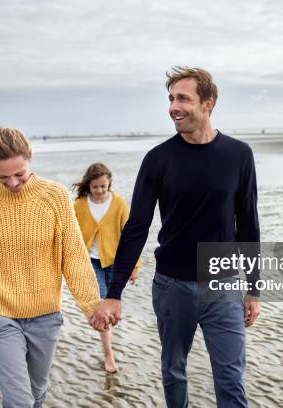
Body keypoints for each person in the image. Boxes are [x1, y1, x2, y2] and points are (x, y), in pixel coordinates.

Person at [90, 66, 261, 407]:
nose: (173, 107)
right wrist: (114, 293)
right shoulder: (158, 159)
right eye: (171, 99)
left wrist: (254, 288)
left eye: (183, 98)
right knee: (174, 372)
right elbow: (137, 228)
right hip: (172, 287)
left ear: (208, 103)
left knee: (230, 377)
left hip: (223, 285)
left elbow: (248, 225)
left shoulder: (239, 154)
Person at [0, 127, 102, 408]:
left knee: (37, 394)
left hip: (45, 316)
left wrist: (91, 304)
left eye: (19, 174)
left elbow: (72, 254)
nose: (12, 182)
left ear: (29, 157)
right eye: (3, 176)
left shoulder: (55, 196)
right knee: (19, 401)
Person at [72, 163, 141, 373]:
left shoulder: (118, 203)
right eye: (96, 187)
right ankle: (108, 353)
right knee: (101, 305)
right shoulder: (79, 205)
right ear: (88, 186)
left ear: (109, 183)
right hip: (90, 262)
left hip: (116, 263)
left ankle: (106, 336)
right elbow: (70, 235)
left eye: (104, 186)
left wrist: (134, 266)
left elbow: (130, 237)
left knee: (109, 307)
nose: (100, 190)